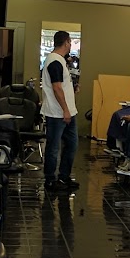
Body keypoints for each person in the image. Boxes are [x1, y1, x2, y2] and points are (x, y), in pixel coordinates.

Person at [41, 30, 79, 193]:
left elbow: (61, 85)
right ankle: (50, 179)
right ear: (66, 42)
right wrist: (65, 110)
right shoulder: (54, 61)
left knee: (72, 144)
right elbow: (56, 88)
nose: (70, 45)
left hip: (68, 111)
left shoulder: (60, 61)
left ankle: (64, 176)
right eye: (70, 42)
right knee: (54, 147)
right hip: (58, 113)